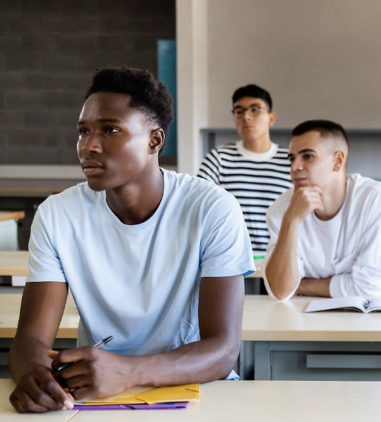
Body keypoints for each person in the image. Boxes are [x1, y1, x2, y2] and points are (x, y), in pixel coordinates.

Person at [9, 67, 254, 413]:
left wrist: (128, 371)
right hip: (95, 394)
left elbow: (223, 350)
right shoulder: (58, 214)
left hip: (193, 390)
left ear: (155, 140)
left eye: (110, 129)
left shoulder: (212, 208)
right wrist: (34, 375)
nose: (89, 145)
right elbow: (30, 340)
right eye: (83, 131)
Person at [263, 120, 381, 301]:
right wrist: (291, 221)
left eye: (307, 156)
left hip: (374, 317)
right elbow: (280, 291)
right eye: (292, 158)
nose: (294, 167)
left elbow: (368, 287)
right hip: (306, 321)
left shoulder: (375, 198)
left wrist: (302, 285)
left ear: (338, 161)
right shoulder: (282, 209)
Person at [197, 84, 293, 253]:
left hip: (281, 257)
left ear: (271, 118)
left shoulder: (291, 161)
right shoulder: (218, 159)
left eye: (255, 110)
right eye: (239, 111)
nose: (246, 117)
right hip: (231, 256)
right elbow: (198, 205)